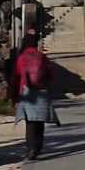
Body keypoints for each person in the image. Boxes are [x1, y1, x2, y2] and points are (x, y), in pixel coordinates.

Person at [11, 33, 54, 161]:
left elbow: (16, 77)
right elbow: (51, 75)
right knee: (40, 121)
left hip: (26, 92)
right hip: (41, 92)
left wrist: (14, 95)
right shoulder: (42, 57)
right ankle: (38, 147)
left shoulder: (21, 58)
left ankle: (31, 148)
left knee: (30, 122)